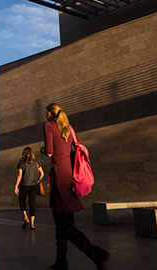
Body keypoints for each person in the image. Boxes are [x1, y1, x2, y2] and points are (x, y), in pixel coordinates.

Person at [41, 103, 110, 270]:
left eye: (47, 113)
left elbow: (50, 152)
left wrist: (43, 149)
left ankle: (94, 253)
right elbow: (77, 146)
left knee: (63, 223)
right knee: (65, 221)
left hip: (59, 174)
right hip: (70, 174)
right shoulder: (68, 128)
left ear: (51, 113)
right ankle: (61, 262)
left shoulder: (48, 126)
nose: (46, 116)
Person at [14, 147, 45, 230]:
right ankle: (32, 224)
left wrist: (16, 185)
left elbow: (19, 175)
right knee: (32, 204)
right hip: (34, 186)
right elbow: (42, 173)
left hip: (24, 185)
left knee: (22, 202)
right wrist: (38, 180)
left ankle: (26, 218)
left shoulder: (21, 163)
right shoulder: (36, 163)